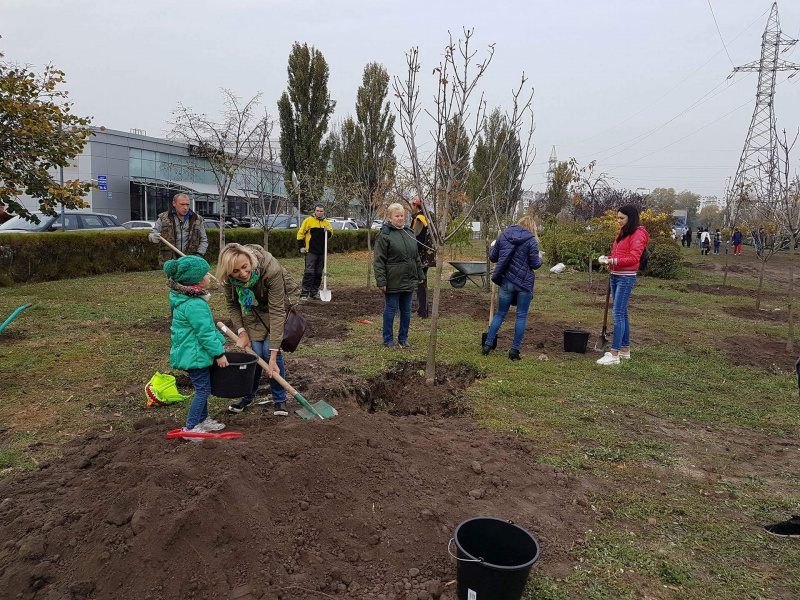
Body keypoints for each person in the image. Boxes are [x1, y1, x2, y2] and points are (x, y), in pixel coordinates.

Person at [218, 243, 293, 416]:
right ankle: (247, 396)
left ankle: (280, 399)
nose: (242, 274)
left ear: (251, 260)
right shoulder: (229, 279)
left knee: (267, 351)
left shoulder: (271, 269)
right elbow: (232, 304)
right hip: (251, 310)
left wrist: (273, 356)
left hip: (276, 306)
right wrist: (241, 333)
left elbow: (276, 311)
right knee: (254, 352)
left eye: (245, 267)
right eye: (235, 271)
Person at [164, 255, 229, 435]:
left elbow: (206, 327)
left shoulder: (185, 299)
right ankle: (191, 426)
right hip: (194, 356)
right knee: (203, 391)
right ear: (199, 280)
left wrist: (220, 342)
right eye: (207, 274)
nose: (210, 277)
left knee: (203, 389)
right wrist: (219, 353)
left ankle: (203, 421)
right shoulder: (194, 304)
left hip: (192, 353)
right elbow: (205, 333)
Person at [482, 216, 543, 361]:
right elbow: (535, 264)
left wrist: (493, 246)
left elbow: (493, 257)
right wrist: (540, 257)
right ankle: (514, 350)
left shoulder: (504, 236)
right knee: (521, 315)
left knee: (500, 313)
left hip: (507, 282)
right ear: (532, 228)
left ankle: (487, 345)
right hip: (524, 284)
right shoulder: (531, 241)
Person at [597, 205, 650, 365]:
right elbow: (618, 254)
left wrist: (612, 261)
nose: (618, 221)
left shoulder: (638, 234)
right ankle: (625, 350)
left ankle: (614, 354)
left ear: (630, 218)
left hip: (626, 278)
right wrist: (607, 258)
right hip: (615, 275)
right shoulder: (623, 233)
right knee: (623, 313)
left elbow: (634, 258)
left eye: (622, 218)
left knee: (618, 314)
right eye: (618, 218)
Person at [373, 203, 425, 348]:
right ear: (390, 218)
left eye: (402, 215)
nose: (400, 218)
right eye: (397, 216)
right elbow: (379, 260)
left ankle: (403, 338)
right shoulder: (385, 235)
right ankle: (388, 339)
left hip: (408, 279)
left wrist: (420, 274)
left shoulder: (409, 232)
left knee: (406, 310)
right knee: (390, 309)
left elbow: (416, 257)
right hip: (392, 280)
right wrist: (381, 281)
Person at [148, 193, 208, 266]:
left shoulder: (197, 219)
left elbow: (204, 240)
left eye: (187, 204)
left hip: (190, 260)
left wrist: (199, 254)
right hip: (170, 261)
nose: (185, 207)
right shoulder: (163, 218)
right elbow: (152, 234)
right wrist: (153, 237)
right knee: (173, 278)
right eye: (182, 204)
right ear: (174, 203)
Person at [297, 204, 332, 301]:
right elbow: (300, 234)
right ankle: (304, 293)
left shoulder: (326, 223)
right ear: (315, 211)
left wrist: (328, 232)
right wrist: (301, 247)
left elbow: (330, 235)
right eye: (318, 211)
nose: (319, 213)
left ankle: (314, 292)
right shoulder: (308, 221)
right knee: (309, 272)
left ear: (323, 212)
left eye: (321, 211)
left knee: (318, 273)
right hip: (311, 251)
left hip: (322, 252)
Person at [411, 197, 436, 318]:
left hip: (421, 257)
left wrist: (413, 256)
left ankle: (422, 312)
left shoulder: (420, 219)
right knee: (423, 282)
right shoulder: (430, 217)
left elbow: (417, 240)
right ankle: (424, 311)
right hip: (429, 255)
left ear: (415, 205)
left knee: (420, 283)